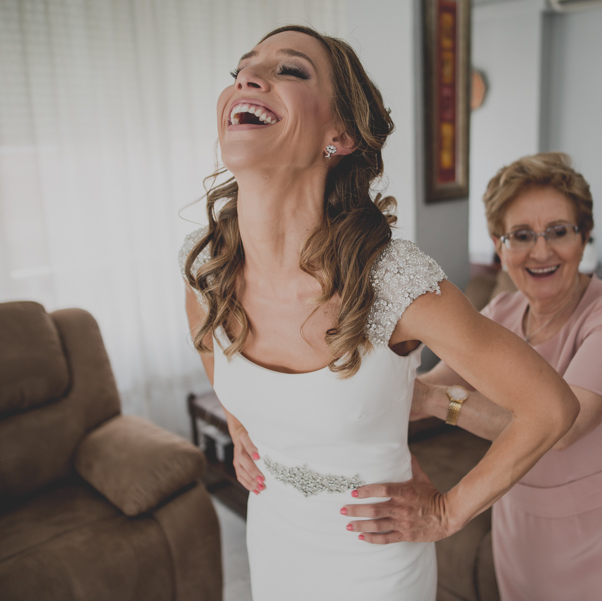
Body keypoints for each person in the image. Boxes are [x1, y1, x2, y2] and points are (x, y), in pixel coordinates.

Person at [179, 26, 579, 601]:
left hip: (374, 569)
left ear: (337, 133)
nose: (249, 77)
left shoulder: (392, 281)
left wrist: (446, 513)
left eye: (290, 70)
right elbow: (204, 340)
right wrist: (241, 422)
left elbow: (549, 408)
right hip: (273, 545)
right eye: (242, 69)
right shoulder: (206, 264)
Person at [414, 153, 602, 600]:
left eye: (558, 231)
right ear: (501, 248)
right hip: (522, 521)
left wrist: (440, 403)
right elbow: (432, 380)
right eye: (521, 235)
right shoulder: (499, 313)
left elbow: (561, 429)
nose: (541, 251)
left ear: (584, 237)